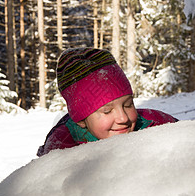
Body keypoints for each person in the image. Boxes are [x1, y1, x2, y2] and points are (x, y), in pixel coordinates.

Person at [37, 47, 177, 157]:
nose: (123, 118)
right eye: (107, 111)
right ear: (80, 119)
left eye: (128, 105)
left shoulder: (156, 123)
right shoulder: (61, 147)